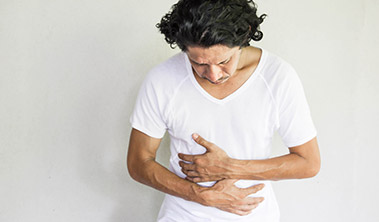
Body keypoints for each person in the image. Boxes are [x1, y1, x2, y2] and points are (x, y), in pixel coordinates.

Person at [127, 0, 321, 221]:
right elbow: (138, 162)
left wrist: (230, 168)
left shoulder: (278, 77)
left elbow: (309, 163)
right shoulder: (162, 79)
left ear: (244, 36)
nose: (213, 75)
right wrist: (200, 195)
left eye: (224, 61)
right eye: (198, 63)